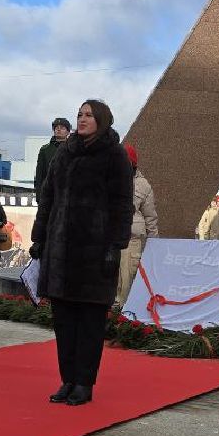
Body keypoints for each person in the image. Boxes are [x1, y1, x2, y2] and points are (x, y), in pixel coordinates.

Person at [31, 99, 134, 406]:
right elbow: (48, 196)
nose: (82, 119)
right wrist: (40, 237)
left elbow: (122, 204)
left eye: (88, 115)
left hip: (95, 253)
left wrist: (116, 245)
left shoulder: (114, 155)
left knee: (89, 323)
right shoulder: (64, 152)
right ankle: (67, 380)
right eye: (79, 114)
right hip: (61, 252)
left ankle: (84, 384)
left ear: (102, 120)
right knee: (64, 322)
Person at [114, 143, 159, 312]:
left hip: (131, 240)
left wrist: (154, 245)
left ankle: (124, 314)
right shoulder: (107, 179)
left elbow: (150, 217)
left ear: (132, 163)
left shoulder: (143, 185)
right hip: (109, 239)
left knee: (127, 280)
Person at [33, 116, 71, 200]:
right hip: (49, 194)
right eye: (56, 128)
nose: (58, 129)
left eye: (62, 128)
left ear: (68, 132)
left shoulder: (74, 149)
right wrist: (39, 197)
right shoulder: (45, 150)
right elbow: (39, 175)